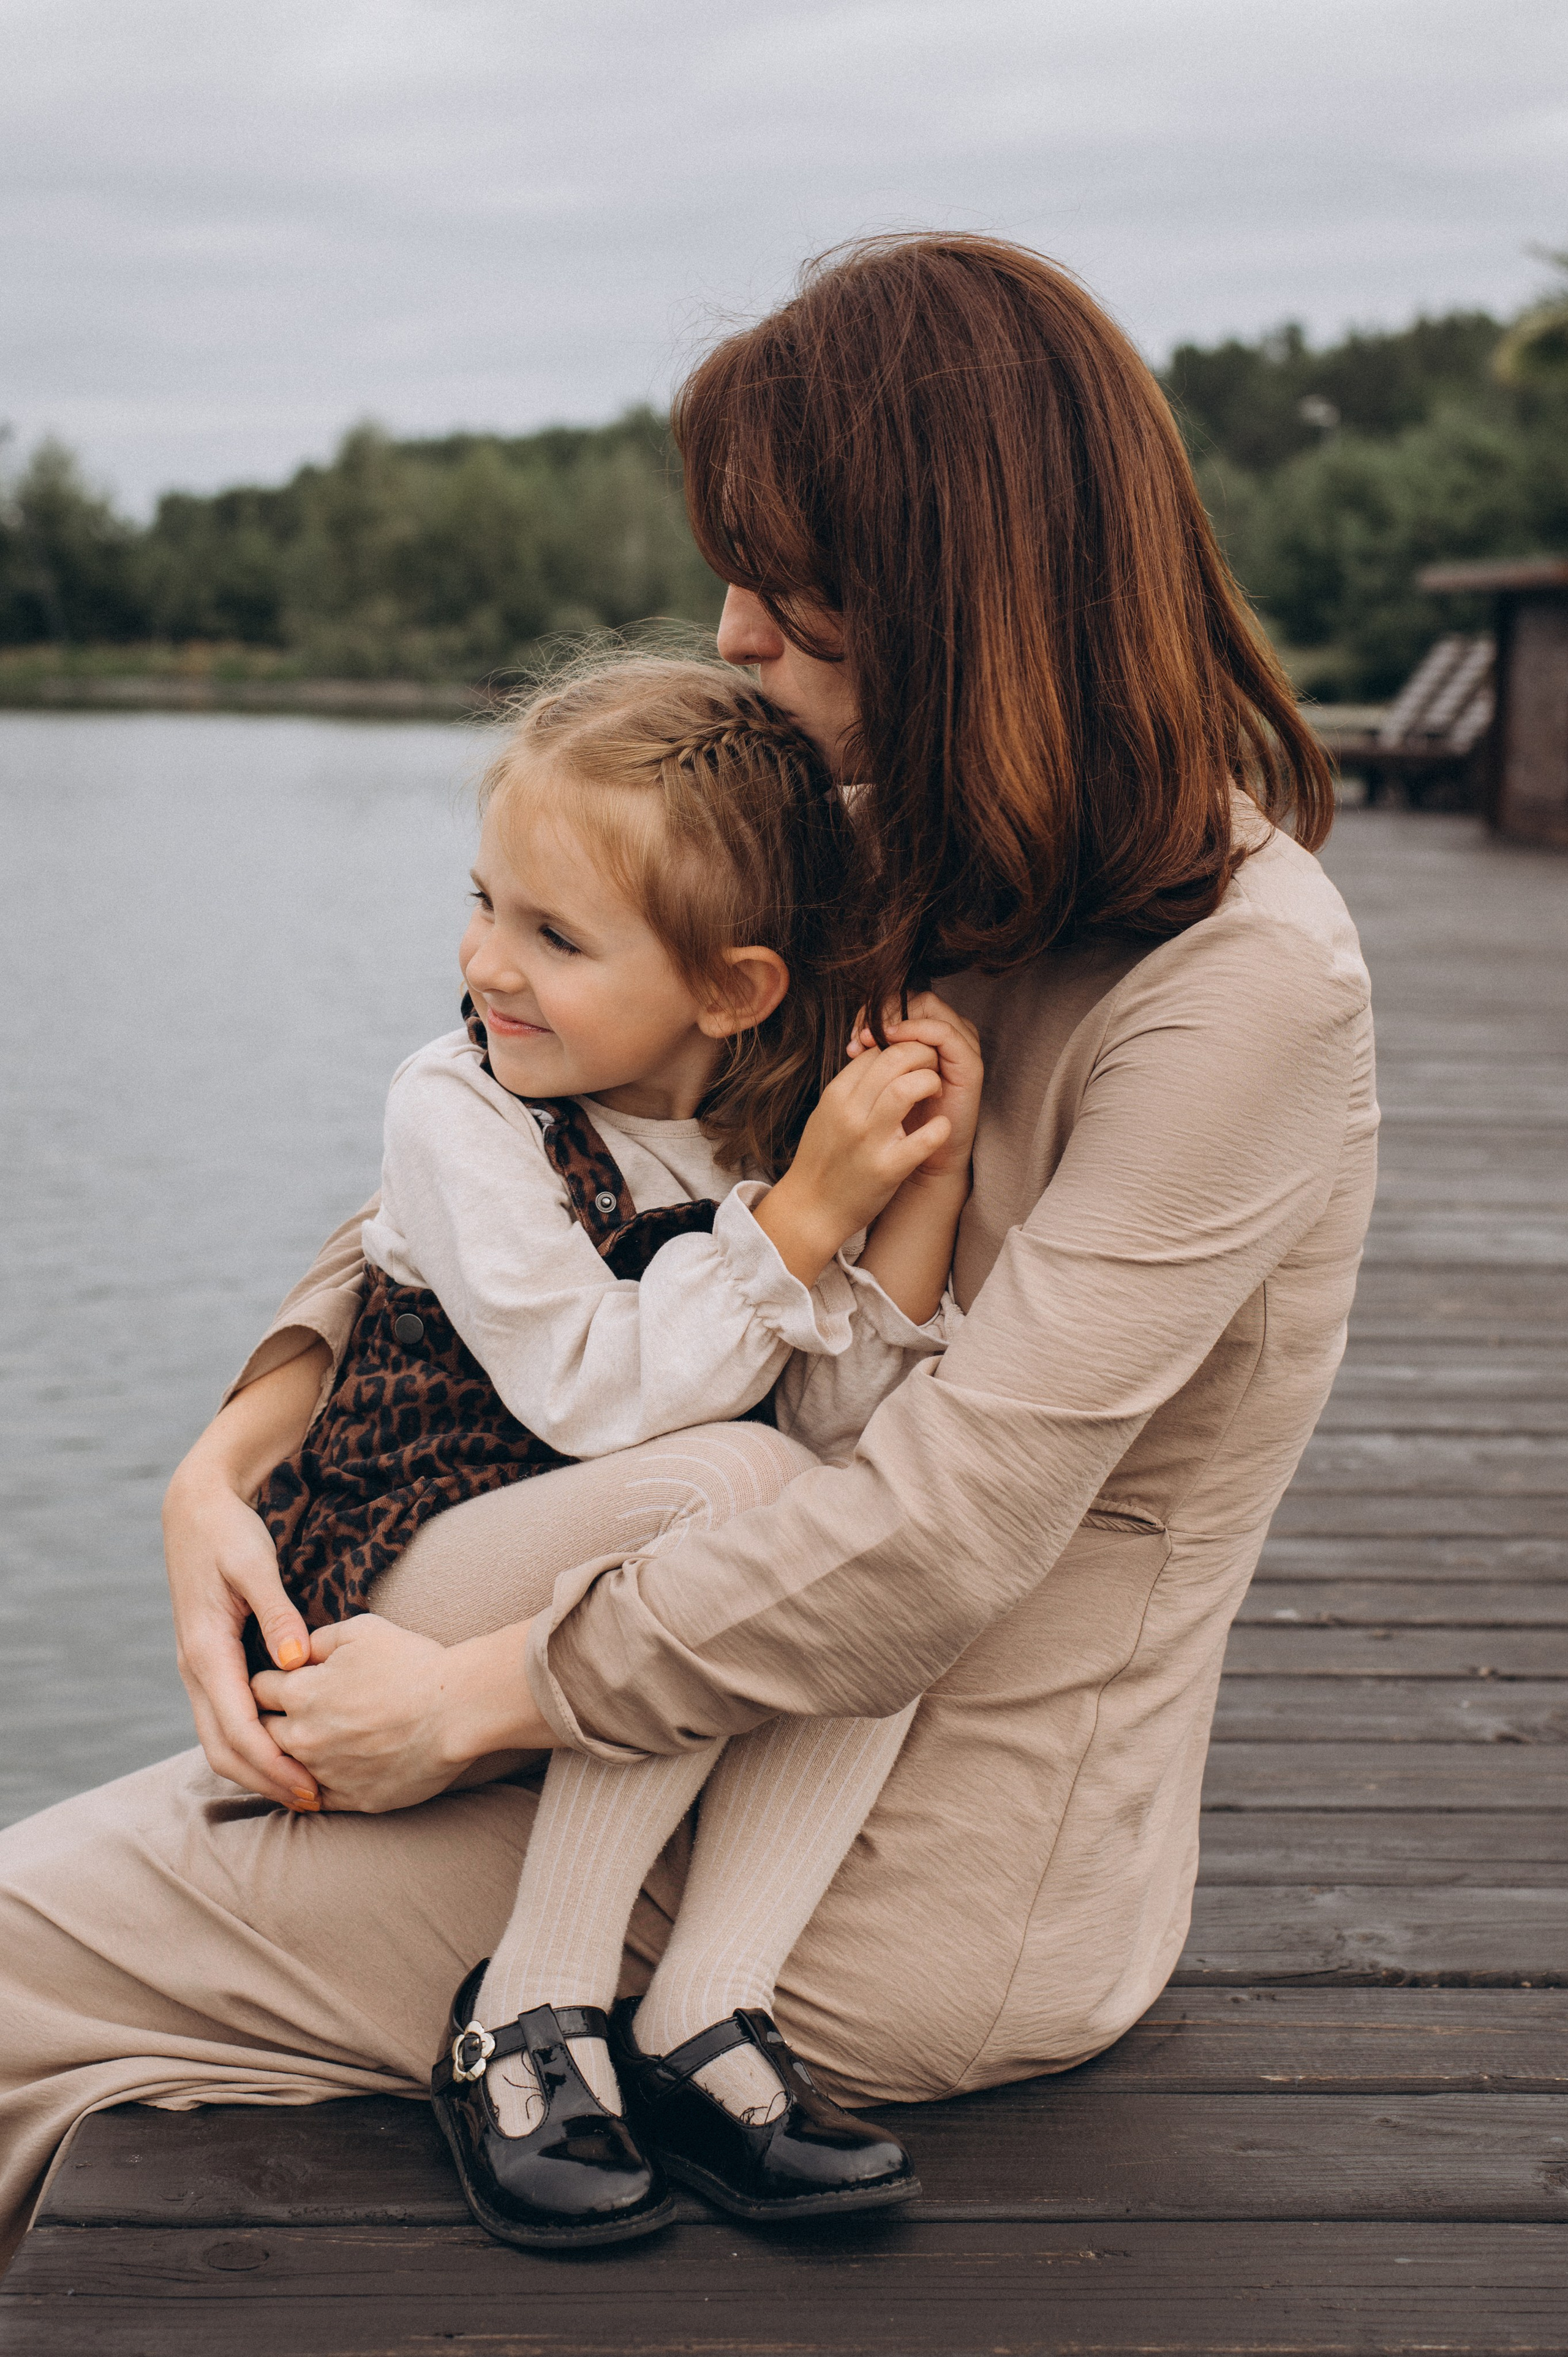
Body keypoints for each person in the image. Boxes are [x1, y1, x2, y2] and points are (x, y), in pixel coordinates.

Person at [0, 232, 1376, 2272]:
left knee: (16, 1964)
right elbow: (512, 1129)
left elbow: (932, 1539)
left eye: (788, 585)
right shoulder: (901, 827)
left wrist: (470, 1702)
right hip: (672, 1690)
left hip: (879, 1881)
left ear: (961, 594)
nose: (730, 632)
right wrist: (233, 1454)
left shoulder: (1240, 1000)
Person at [255, 652, 981, 2245]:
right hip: (407, 1554)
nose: (487, 963)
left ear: (732, 990)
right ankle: (527, 2005)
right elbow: (587, 1388)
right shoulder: (462, 1108)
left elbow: (847, 1431)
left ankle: (703, 2014)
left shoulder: (756, 1115)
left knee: (887, 1553)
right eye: (486, 901)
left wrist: (901, 1195)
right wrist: (799, 1224)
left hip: (611, 1570)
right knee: (741, 1494)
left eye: (555, 936)